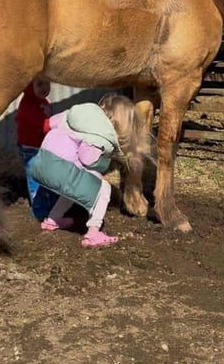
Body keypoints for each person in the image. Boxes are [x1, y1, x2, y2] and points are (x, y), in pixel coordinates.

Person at [29, 93, 150, 248]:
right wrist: (104, 164)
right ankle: (93, 233)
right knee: (104, 189)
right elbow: (88, 158)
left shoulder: (78, 114)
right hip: (59, 168)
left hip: (41, 163)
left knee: (75, 186)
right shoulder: (102, 132)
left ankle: (53, 220)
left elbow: (51, 123)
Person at [15, 77, 59, 220]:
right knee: (35, 178)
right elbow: (38, 124)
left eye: (47, 83)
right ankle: (39, 211)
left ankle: (49, 205)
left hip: (41, 146)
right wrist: (53, 125)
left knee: (45, 176)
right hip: (30, 148)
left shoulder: (43, 102)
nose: (44, 87)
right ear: (28, 87)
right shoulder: (28, 104)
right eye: (39, 84)